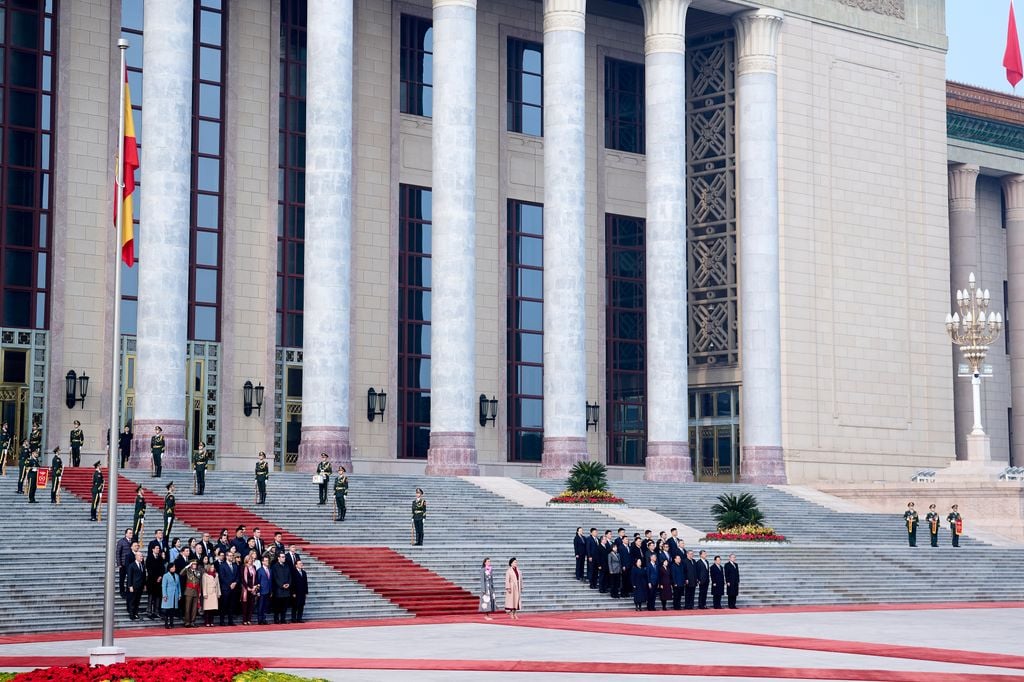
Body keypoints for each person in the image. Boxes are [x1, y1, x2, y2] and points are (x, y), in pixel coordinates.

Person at [218, 549, 240, 626]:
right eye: (230, 556)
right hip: (226, 588)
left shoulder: (235, 565)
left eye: (232, 556)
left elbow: (238, 576)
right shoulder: (222, 566)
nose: (231, 557)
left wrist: (235, 583)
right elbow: (222, 577)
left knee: (232, 605)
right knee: (224, 605)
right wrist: (230, 584)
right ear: (226, 557)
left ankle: (230, 621)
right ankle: (222, 621)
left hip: (234, 588)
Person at [271, 551, 292, 624]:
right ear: (278, 558)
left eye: (284, 557)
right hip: (278, 590)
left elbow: (290, 576)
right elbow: (275, 578)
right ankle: (276, 619)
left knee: (284, 606)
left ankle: (283, 619)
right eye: (282, 557)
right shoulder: (275, 566)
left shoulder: (287, 566)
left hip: (286, 589)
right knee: (277, 606)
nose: (284, 558)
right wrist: (281, 585)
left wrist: (288, 584)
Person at [125, 550, 146, 620]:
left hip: (140, 586)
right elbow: (129, 576)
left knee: (137, 601)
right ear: (136, 557)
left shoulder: (142, 565)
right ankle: (131, 614)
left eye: (142, 556)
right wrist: (130, 586)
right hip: (134, 586)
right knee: (132, 601)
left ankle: (136, 613)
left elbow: (144, 576)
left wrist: (144, 585)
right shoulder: (132, 565)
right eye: (140, 556)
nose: (142, 557)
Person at [182, 559, 202, 628]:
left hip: (196, 591)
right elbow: (181, 573)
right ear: (191, 565)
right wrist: (187, 566)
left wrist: (200, 591)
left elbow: (200, 582)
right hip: (189, 591)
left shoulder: (198, 572)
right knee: (187, 607)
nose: (195, 565)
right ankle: (187, 622)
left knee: (194, 608)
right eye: (193, 564)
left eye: (195, 564)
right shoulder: (188, 571)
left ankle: (193, 622)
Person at [145, 544, 164, 620]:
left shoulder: (160, 557)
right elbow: (149, 569)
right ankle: (149, 612)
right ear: (153, 549)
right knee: (151, 597)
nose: (158, 549)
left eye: (159, 548)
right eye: (156, 548)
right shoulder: (149, 557)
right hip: (151, 581)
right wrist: (155, 578)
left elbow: (162, 568)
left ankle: (156, 612)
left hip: (159, 581)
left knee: (158, 597)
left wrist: (160, 576)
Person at [116, 528, 135, 598]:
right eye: (130, 533)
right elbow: (118, 553)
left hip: (131, 563)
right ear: (126, 534)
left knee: (130, 578)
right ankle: (122, 591)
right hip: (123, 564)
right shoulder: (121, 541)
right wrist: (119, 564)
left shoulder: (133, 541)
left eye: (132, 533)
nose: (131, 534)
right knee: (122, 578)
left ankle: (128, 591)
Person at [161, 563, 181, 629]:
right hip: (168, 594)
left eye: (174, 567)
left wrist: (179, 594)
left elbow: (178, 586)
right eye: (173, 567)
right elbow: (164, 586)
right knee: (167, 610)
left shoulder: (177, 575)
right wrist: (164, 595)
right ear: (169, 568)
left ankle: (171, 623)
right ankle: (166, 623)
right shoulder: (165, 576)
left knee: (172, 610)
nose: (174, 568)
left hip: (175, 594)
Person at [240, 553, 258, 625]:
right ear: (246, 560)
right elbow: (242, 578)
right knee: (245, 605)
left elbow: (255, 577)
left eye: (251, 559)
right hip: (245, 588)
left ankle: (249, 619)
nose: (251, 560)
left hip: (253, 588)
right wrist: (247, 587)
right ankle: (244, 620)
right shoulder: (243, 567)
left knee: (251, 605)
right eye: (249, 559)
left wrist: (254, 586)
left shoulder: (254, 567)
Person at [202, 562, 221, 627]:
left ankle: (211, 621)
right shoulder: (205, 575)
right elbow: (204, 585)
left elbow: (218, 584)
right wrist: (204, 593)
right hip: (208, 593)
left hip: (214, 593)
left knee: (213, 609)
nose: (213, 568)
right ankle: (207, 622)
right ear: (209, 568)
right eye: (211, 567)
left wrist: (219, 593)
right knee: (207, 609)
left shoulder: (216, 574)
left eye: (213, 567)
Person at [256, 556, 273, 625]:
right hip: (262, 591)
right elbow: (257, 581)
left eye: (267, 560)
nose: (267, 562)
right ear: (262, 562)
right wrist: (258, 591)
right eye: (265, 561)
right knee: (260, 606)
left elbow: (270, 581)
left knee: (265, 606)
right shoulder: (259, 570)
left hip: (268, 590)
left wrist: (271, 591)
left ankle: (264, 619)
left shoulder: (270, 570)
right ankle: (260, 620)